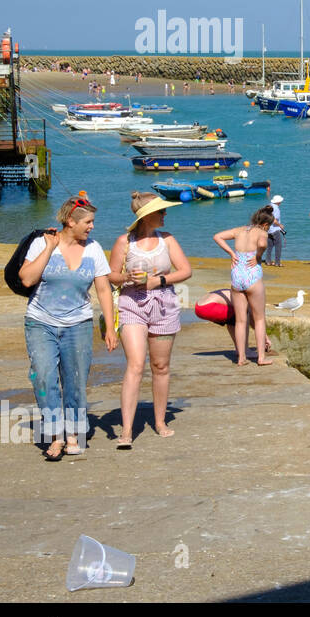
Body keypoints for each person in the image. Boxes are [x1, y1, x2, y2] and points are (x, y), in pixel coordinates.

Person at [18, 194, 118, 460]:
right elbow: (26, 279)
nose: (92, 227)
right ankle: (55, 436)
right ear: (70, 222)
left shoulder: (94, 248)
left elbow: (103, 289)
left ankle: (73, 433)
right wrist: (50, 249)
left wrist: (110, 326)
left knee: (75, 381)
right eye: (88, 222)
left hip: (78, 324)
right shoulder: (42, 243)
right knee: (44, 378)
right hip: (41, 322)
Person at [107, 191, 192, 449]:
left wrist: (158, 280)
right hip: (132, 304)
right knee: (135, 364)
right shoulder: (124, 242)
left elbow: (186, 270)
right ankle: (127, 430)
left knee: (161, 365)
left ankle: (160, 422)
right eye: (161, 211)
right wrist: (127, 278)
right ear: (147, 216)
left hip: (164, 305)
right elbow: (111, 276)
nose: (165, 215)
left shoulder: (167, 240)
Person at [213, 207, 275, 365]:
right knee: (259, 319)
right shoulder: (262, 232)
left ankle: (241, 358)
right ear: (265, 224)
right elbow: (262, 244)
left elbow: (217, 236)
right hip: (252, 275)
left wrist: (232, 253)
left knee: (240, 320)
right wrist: (259, 255)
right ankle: (261, 358)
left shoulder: (239, 230)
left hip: (237, 275)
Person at [194, 289, 273, 360]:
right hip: (207, 307)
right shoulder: (244, 298)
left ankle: (239, 349)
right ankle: (245, 350)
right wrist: (265, 338)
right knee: (243, 315)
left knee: (233, 318)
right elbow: (255, 321)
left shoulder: (235, 292)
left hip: (198, 306)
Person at [267, 194, 285, 266]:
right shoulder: (276, 208)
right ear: (278, 202)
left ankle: (268, 261)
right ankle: (277, 262)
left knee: (269, 246)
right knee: (278, 246)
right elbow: (274, 220)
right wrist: (280, 225)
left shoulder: (269, 205)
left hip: (268, 229)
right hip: (275, 229)